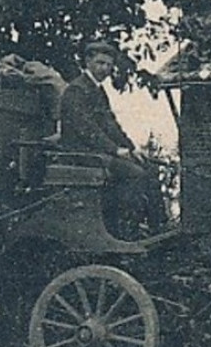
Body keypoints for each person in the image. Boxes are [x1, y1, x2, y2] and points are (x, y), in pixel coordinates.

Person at [57, 38, 167, 233]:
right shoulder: (76, 90)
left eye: (108, 65)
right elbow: (87, 130)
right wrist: (116, 150)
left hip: (99, 153)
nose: (105, 69)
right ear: (88, 61)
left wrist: (132, 149)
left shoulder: (98, 91)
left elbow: (111, 126)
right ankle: (124, 229)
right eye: (100, 63)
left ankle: (158, 227)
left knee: (149, 168)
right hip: (81, 154)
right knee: (134, 174)